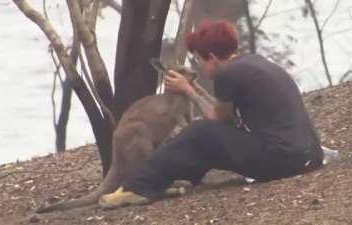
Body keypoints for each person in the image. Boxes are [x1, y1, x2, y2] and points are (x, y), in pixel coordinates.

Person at [98, 20, 324, 208]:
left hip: (282, 160)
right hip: (309, 155)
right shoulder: (255, 61)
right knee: (208, 137)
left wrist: (189, 91)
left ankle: (138, 187)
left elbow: (218, 120)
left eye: (198, 59)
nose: (200, 67)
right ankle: (182, 179)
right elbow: (227, 125)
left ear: (213, 57)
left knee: (200, 130)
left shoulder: (228, 74)